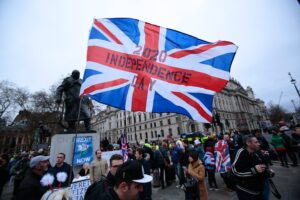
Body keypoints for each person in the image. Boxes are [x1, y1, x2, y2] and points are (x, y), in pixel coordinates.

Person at [232, 135, 272, 200]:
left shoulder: (256, 152)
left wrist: (267, 172)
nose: (259, 144)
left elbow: (260, 166)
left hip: (258, 189)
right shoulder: (242, 152)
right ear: (248, 143)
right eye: (256, 142)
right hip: (247, 192)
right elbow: (235, 171)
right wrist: (254, 170)